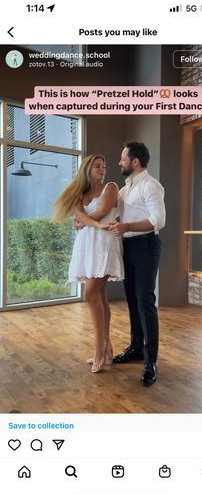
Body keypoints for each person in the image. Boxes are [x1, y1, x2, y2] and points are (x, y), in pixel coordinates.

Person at [53, 154, 124, 373]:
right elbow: (79, 217)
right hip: (87, 245)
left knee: (90, 295)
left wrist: (85, 222)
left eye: (104, 166)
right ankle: (108, 347)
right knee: (100, 297)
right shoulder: (79, 194)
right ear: (87, 169)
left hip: (104, 244)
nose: (102, 169)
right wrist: (90, 223)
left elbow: (102, 212)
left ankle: (98, 349)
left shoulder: (110, 187)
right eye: (97, 166)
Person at [109, 142, 166, 386]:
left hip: (146, 247)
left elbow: (158, 220)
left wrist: (128, 227)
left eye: (123, 158)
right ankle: (136, 348)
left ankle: (150, 361)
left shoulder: (151, 186)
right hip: (129, 247)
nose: (119, 162)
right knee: (132, 300)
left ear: (135, 162)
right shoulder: (125, 189)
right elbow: (109, 211)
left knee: (145, 301)